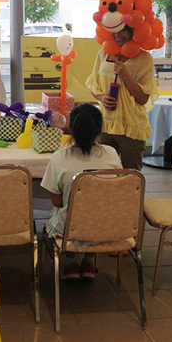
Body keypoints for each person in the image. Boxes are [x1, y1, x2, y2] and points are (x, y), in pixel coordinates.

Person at [41, 103, 122, 280]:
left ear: (70, 128)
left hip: (70, 229)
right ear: (100, 129)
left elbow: (56, 201)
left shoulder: (59, 157)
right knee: (97, 209)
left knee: (60, 214)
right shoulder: (112, 154)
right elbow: (117, 191)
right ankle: (89, 261)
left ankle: (70, 262)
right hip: (108, 226)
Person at [85, 25, 158, 170]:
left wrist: (126, 75)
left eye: (124, 30)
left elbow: (143, 99)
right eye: (115, 29)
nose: (118, 35)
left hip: (131, 126)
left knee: (130, 175)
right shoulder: (103, 54)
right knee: (101, 172)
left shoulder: (144, 58)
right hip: (106, 124)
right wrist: (102, 97)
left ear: (134, 31)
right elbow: (94, 85)